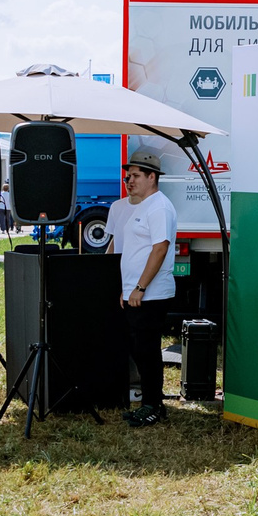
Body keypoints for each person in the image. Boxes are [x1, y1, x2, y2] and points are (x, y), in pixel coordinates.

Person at [106, 152, 177, 427]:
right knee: (139, 349)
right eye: (128, 176)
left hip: (151, 294)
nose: (129, 180)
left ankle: (153, 406)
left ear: (152, 177)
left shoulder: (158, 207)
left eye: (135, 176)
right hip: (136, 293)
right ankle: (151, 403)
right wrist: (126, 288)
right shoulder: (142, 206)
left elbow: (160, 249)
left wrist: (140, 287)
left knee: (146, 351)